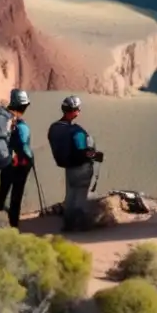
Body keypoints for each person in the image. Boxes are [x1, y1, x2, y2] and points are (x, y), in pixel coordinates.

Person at [47, 96, 102, 233]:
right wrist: (96, 156)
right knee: (80, 197)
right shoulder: (76, 131)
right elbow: (82, 152)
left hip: (68, 167)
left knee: (70, 196)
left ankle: (68, 225)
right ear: (73, 111)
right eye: (78, 109)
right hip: (81, 168)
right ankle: (82, 226)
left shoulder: (54, 128)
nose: (79, 111)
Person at [0, 88, 33, 228]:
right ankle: (13, 225)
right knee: (16, 194)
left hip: (6, 161)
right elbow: (23, 145)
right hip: (20, 163)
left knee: (3, 189)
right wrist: (30, 157)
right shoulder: (21, 126)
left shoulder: (4, 118)